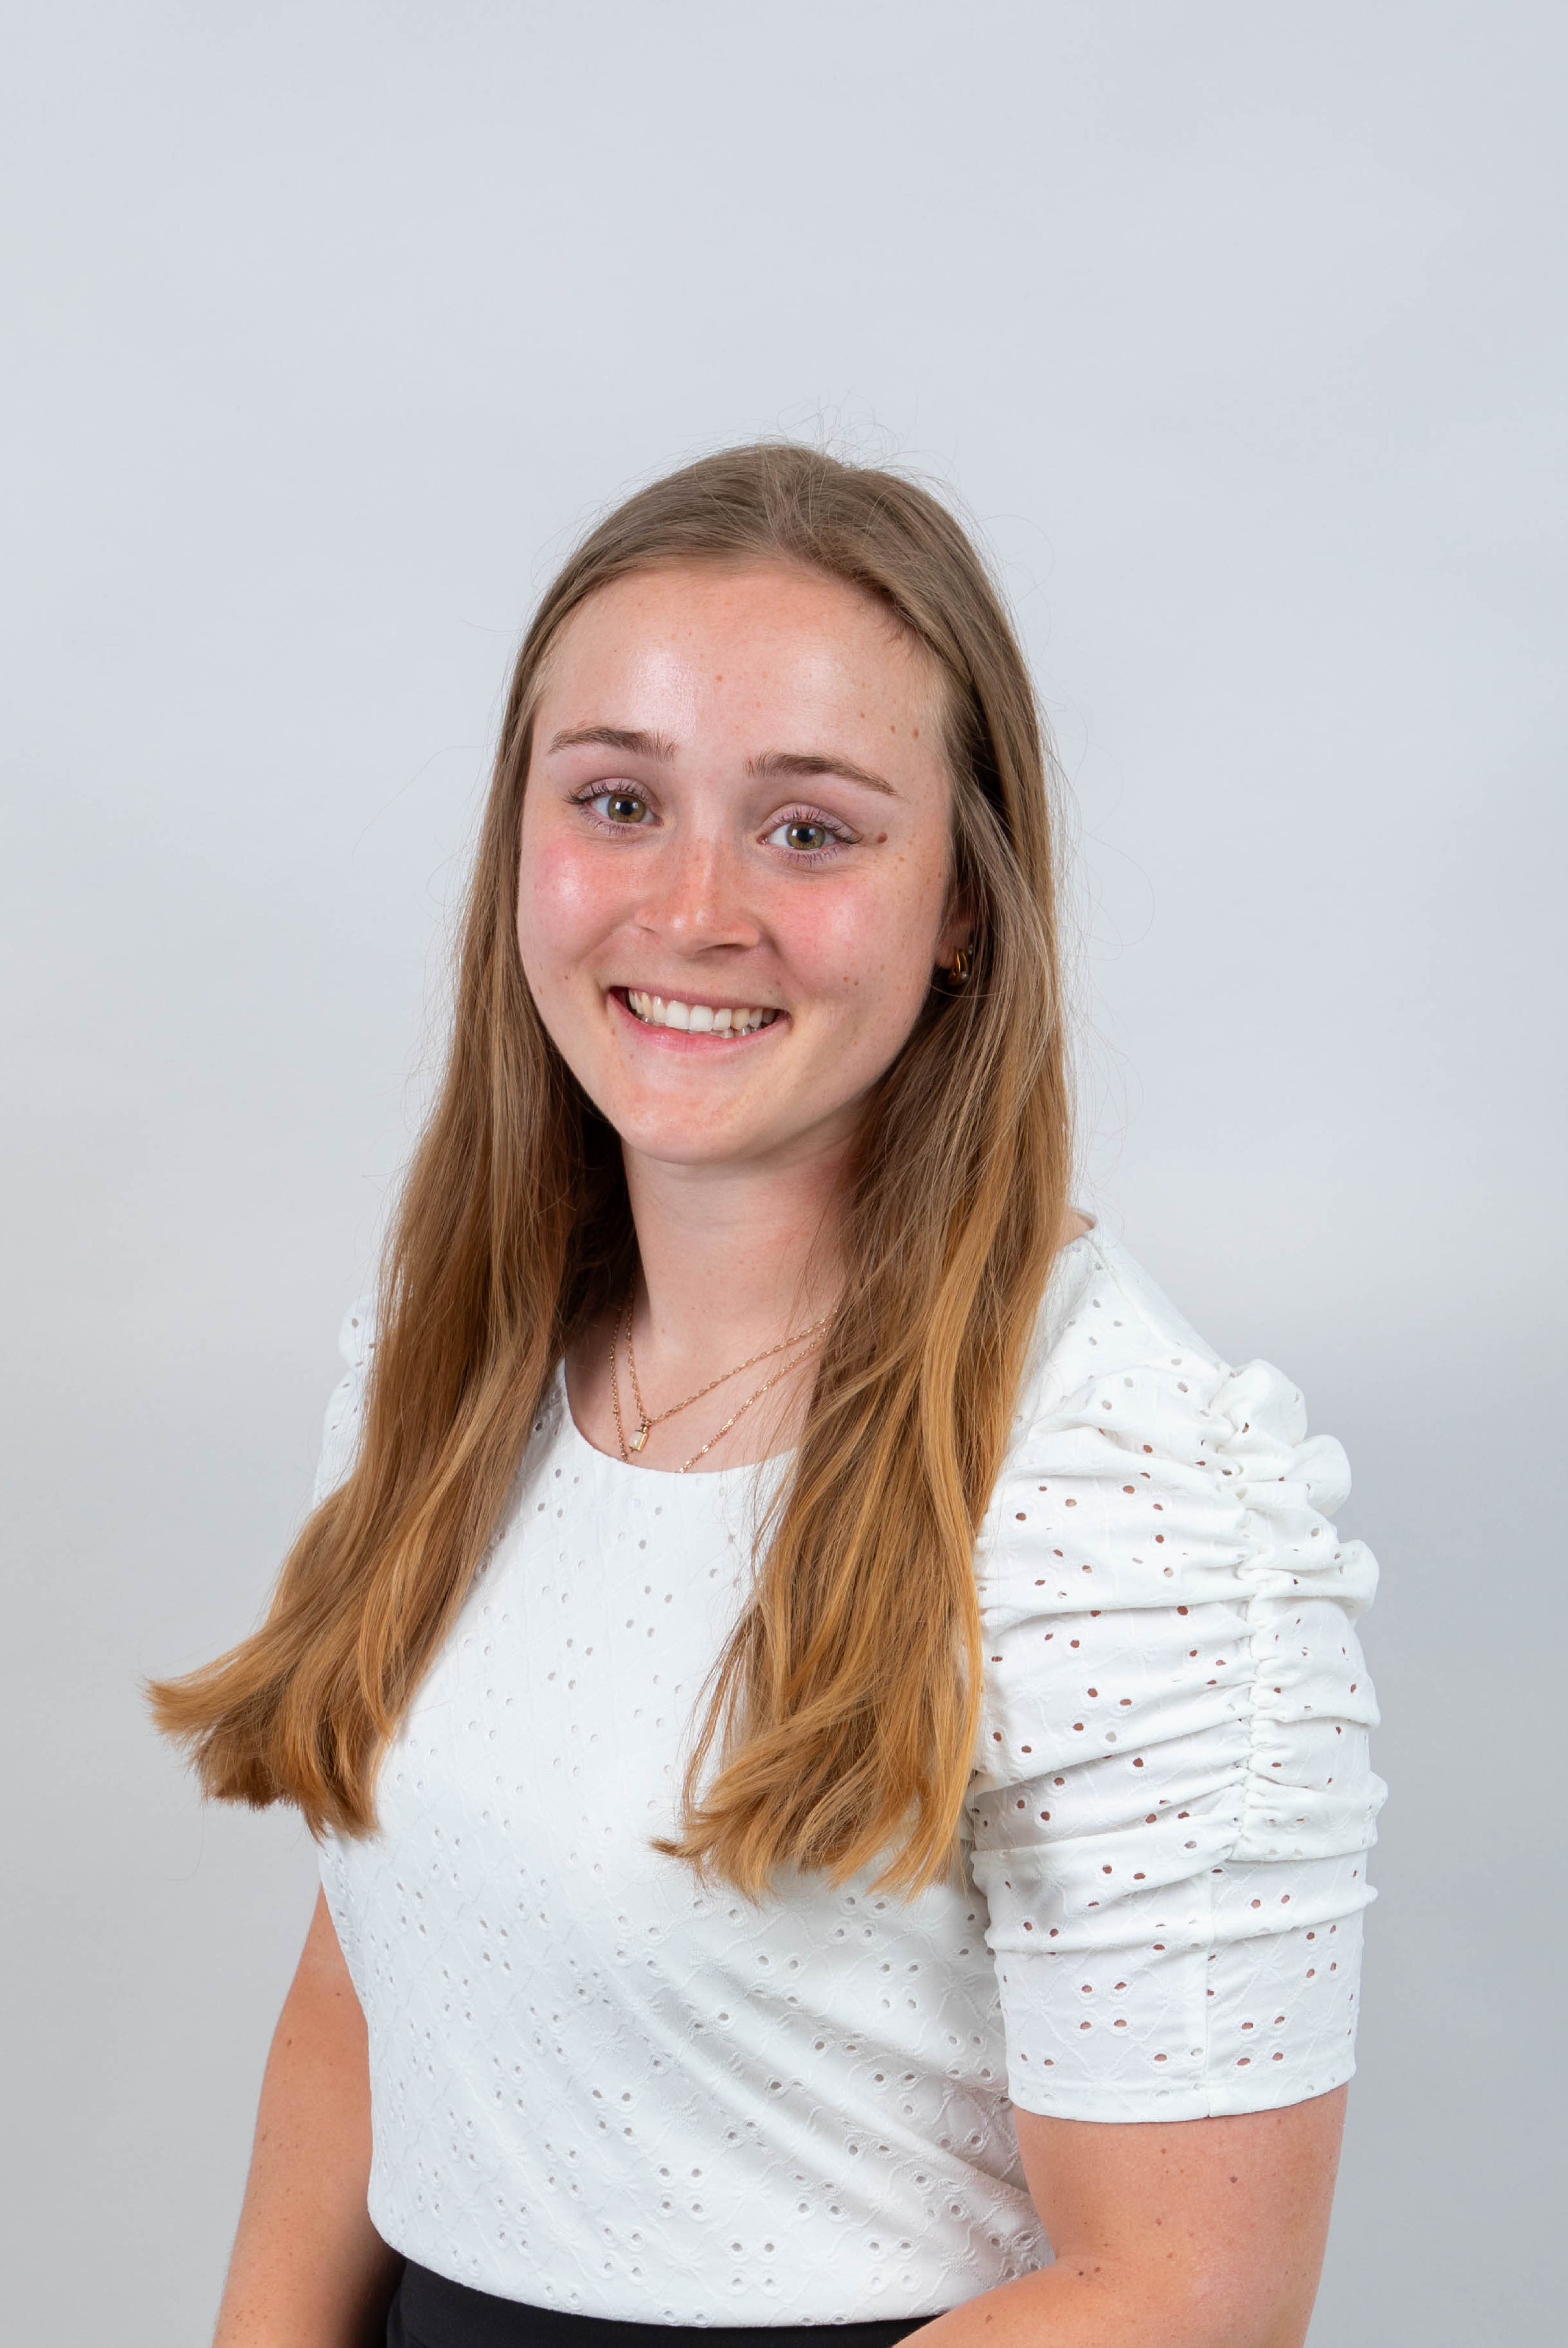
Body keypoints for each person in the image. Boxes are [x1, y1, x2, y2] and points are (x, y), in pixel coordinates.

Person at [152, 444, 1384, 2348]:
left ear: (963, 901)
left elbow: (1187, 2293)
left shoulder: (1131, 1492)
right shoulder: (452, 1352)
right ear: (520, 847)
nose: (693, 905)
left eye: (810, 830)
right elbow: (386, 1977)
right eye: (619, 801)